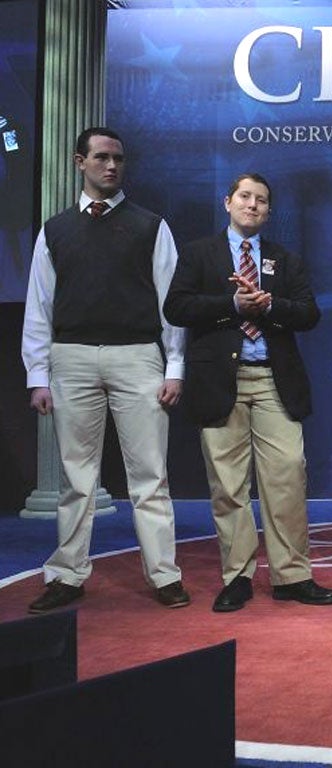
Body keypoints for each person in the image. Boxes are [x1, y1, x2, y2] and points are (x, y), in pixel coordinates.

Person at [21, 126, 190, 612]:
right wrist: (37, 375)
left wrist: (174, 366)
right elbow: (39, 306)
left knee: (150, 475)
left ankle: (164, 575)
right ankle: (67, 575)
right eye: (101, 157)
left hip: (138, 356)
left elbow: (171, 303)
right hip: (70, 357)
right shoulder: (55, 230)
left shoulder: (150, 225)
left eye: (118, 158)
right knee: (77, 476)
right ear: (80, 162)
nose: (111, 166)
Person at [164, 173, 332, 612]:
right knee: (227, 486)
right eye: (245, 197)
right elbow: (177, 307)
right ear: (228, 202)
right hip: (220, 381)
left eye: (262, 201)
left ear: (268, 211)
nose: (253, 205)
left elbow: (309, 314)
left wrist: (270, 306)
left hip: (273, 379)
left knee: (287, 476)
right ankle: (237, 577)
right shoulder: (199, 253)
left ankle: (292, 576)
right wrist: (233, 306)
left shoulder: (285, 259)